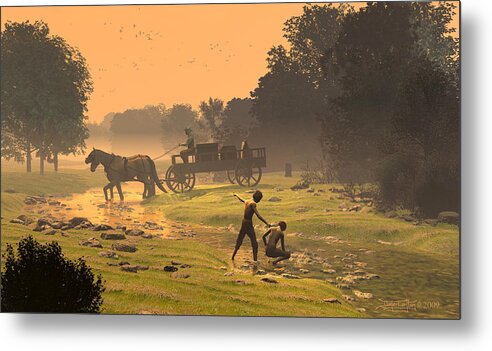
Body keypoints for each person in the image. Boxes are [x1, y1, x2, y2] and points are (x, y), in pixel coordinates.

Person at [231, 190, 270, 262]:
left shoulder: (248, 201)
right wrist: (266, 223)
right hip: (248, 224)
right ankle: (255, 261)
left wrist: (236, 195)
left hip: (244, 222)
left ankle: (233, 256)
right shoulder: (253, 204)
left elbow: (242, 199)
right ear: (258, 199)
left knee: (240, 239)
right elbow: (258, 215)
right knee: (254, 243)